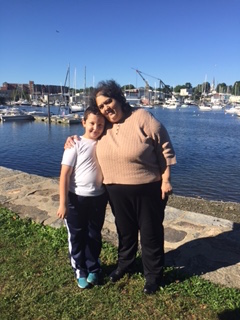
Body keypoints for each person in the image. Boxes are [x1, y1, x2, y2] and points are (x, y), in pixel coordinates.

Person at [65, 80, 176, 294]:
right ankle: (125, 264)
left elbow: (165, 147)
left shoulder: (141, 117)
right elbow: (88, 134)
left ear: (118, 98)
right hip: (114, 191)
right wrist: (72, 139)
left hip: (148, 189)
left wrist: (166, 179)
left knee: (150, 233)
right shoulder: (104, 124)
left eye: (109, 101)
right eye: (102, 106)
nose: (107, 108)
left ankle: (153, 275)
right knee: (125, 232)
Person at [57, 106, 108, 289]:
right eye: (92, 123)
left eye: (100, 125)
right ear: (84, 123)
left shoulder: (104, 142)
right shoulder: (75, 144)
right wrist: (63, 203)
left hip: (98, 198)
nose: (96, 128)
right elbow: (64, 175)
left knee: (94, 234)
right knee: (77, 235)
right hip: (76, 199)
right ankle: (80, 269)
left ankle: (93, 267)